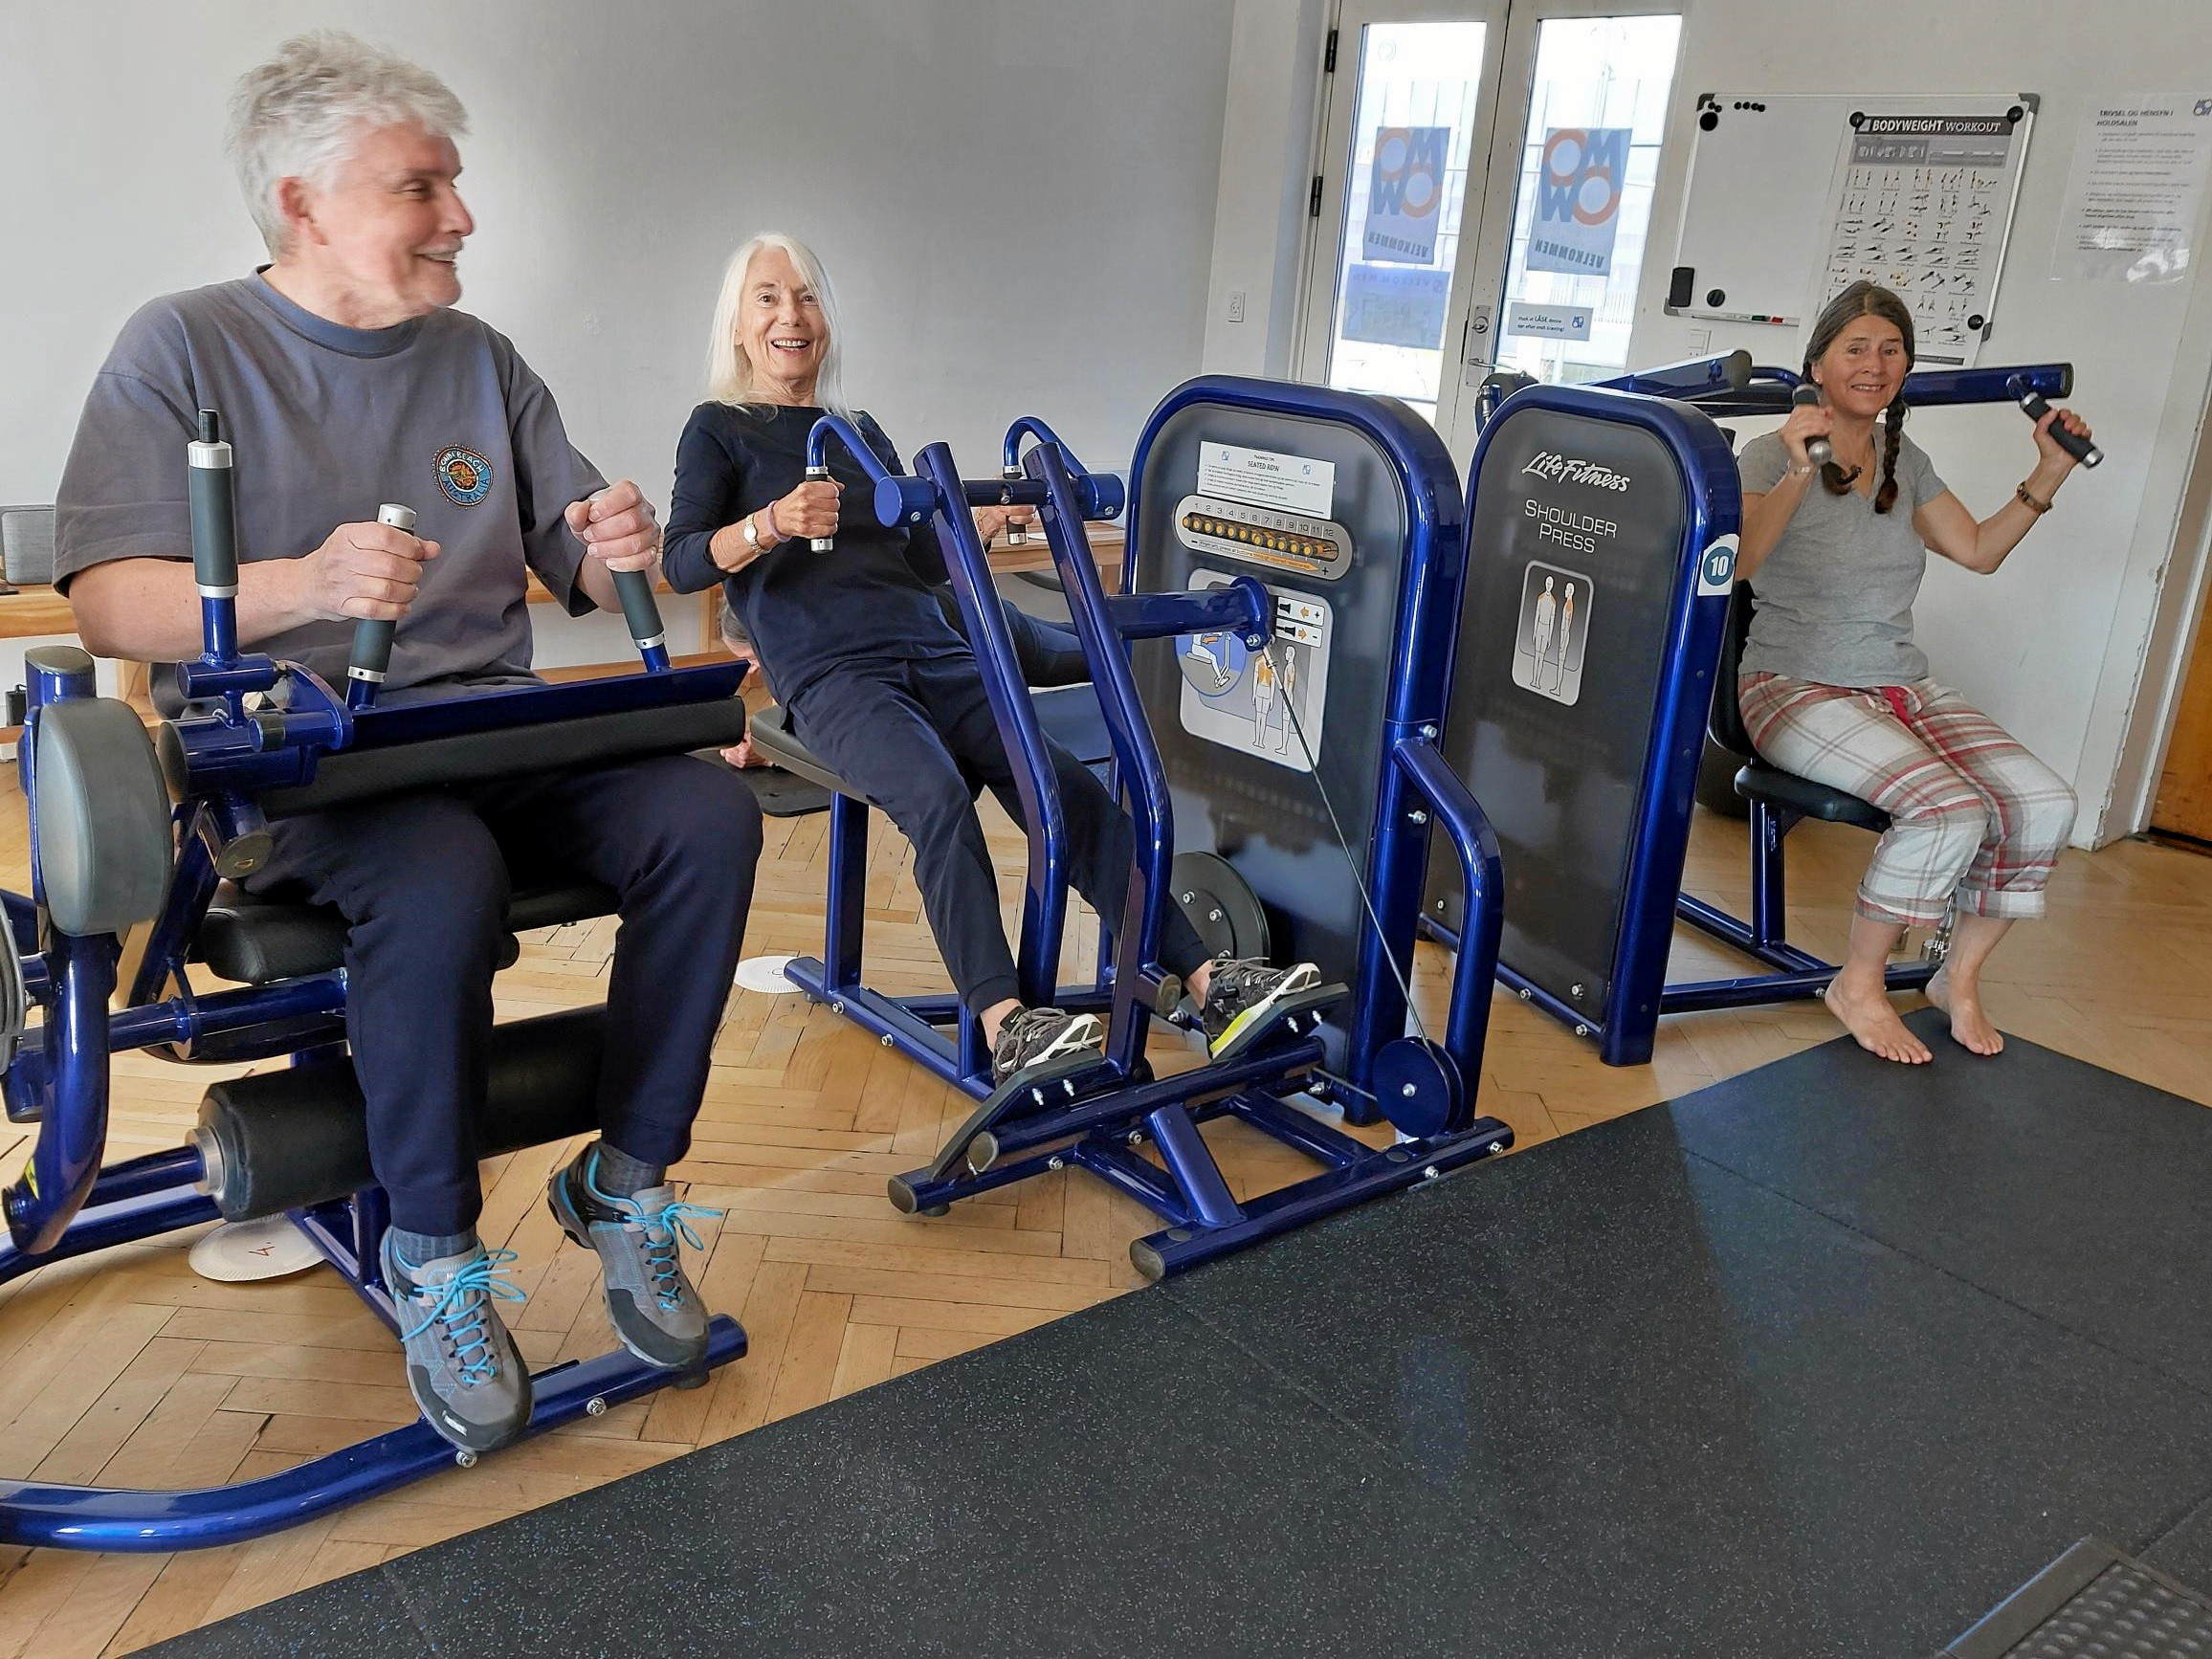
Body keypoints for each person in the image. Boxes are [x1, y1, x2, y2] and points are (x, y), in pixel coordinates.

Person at [54, 33, 761, 1452]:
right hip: (301, 763)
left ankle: (626, 1183)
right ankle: (434, 1251)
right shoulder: (183, 345)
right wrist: (301, 588)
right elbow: (106, 599)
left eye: (457, 182)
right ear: (305, 202)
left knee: (708, 817)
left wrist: (605, 539)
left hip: (487, 732)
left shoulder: (480, 358)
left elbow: (576, 554)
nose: (462, 216)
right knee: (436, 870)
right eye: (421, 186)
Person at [662, 232, 1327, 1085]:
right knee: (937, 797)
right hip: (832, 675)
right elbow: (682, 562)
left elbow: (910, 561)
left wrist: (966, 536)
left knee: (1061, 785)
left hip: (935, 648)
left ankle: (1208, 979)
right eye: (767, 297)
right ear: (738, 320)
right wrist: (769, 524)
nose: (790, 316)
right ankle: (1008, 1020)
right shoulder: (719, 429)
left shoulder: (860, 431)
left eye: (806, 297)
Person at [1735, 280, 2089, 1065]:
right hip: (1793, 686)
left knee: (2042, 800)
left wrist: (2051, 472)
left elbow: (1978, 551)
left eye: (1891, 349)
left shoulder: (1905, 458)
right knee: (1947, 810)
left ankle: (1952, 977)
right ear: (1818, 366)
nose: (1875, 363)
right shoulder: (1767, 452)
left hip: (1899, 687)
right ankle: (1858, 984)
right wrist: (1799, 467)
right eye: (1855, 348)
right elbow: (1743, 563)